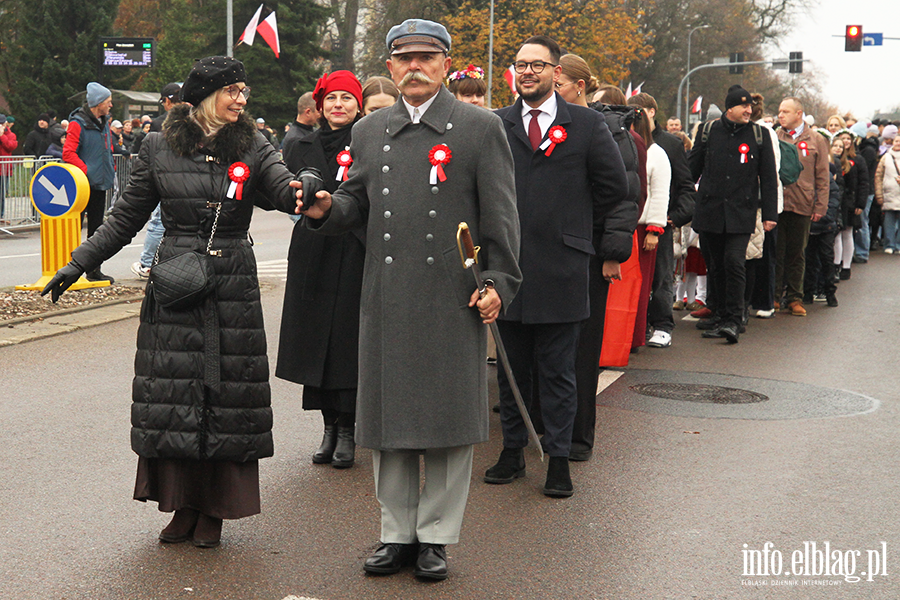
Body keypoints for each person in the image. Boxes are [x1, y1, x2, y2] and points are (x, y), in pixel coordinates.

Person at [42, 56, 306, 549]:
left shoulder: (252, 142)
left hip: (231, 283)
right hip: (177, 283)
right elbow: (125, 217)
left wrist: (305, 189)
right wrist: (77, 263)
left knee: (226, 396)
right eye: (233, 91)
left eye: (244, 92)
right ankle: (182, 505)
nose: (242, 100)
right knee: (175, 394)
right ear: (205, 94)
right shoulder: (158, 144)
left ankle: (215, 510)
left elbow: (280, 187)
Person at [297, 19, 521, 581]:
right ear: (391, 67)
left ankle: (437, 538)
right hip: (387, 296)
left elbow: (501, 219)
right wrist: (326, 209)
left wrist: (498, 282)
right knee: (388, 421)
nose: (415, 67)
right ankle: (395, 533)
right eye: (404, 58)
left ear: (446, 64)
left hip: (453, 298)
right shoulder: (370, 131)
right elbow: (355, 202)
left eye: (427, 57)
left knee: (446, 422)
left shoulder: (478, 126)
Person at [486, 35, 631, 495]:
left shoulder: (587, 125)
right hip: (508, 268)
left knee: (558, 371)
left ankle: (560, 458)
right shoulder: (496, 124)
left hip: (564, 268)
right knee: (511, 371)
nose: (527, 72)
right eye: (520, 65)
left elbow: (614, 190)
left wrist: (584, 234)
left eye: (538, 65)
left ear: (555, 72)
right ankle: (512, 451)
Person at [275, 70, 366, 469]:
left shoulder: (369, 141)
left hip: (355, 249)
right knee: (316, 343)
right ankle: (328, 427)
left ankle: (348, 428)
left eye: (347, 98)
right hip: (313, 250)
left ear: (358, 104)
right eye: (331, 99)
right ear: (320, 105)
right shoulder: (301, 143)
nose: (338, 105)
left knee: (347, 341)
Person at [688, 85, 778, 343]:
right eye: (744, 106)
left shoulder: (759, 135)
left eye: (750, 106)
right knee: (715, 265)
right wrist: (680, 202)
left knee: (734, 262)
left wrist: (770, 213)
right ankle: (719, 314)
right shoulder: (708, 131)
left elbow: (769, 178)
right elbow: (691, 170)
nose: (749, 110)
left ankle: (734, 320)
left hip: (741, 212)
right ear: (730, 108)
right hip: (710, 211)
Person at [627, 91, 695, 348]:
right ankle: (638, 325)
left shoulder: (669, 144)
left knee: (662, 276)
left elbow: (684, 185)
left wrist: (673, 218)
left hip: (661, 222)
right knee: (636, 278)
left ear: (651, 112)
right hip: (633, 220)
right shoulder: (624, 139)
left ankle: (663, 325)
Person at [775, 97, 830, 316]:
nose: (781, 115)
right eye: (779, 111)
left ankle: (795, 298)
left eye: (785, 111)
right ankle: (774, 296)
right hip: (779, 203)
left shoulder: (816, 139)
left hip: (803, 203)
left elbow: (823, 177)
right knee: (776, 253)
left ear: (799, 114)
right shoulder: (775, 136)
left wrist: (820, 206)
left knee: (797, 253)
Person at [63, 82, 116, 283]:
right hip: (82, 185)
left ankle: (93, 270)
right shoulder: (78, 123)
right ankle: (70, 270)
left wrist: (110, 167)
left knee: (96, 230)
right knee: (75, 227)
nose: (111, 105)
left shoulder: (105, 122)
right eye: (108, 102)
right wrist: (86, 171)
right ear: (98, 103)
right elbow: (68, 153)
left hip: (99, 184)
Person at [131, 83, 182, 279]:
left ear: (167, 100)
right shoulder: (195, 119)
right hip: (189, 179)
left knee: (158, 222)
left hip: (166, 177)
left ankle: (147, 263)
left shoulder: (159, 123)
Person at [832, 129, 867, 280]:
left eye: (848, 139)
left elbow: (863, 183)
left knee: (847, 233)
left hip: (850, 202)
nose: (845, 142)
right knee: (837, 234)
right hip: (836, 202)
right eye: (842, 139)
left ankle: (846, 266)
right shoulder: (833, 160)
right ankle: (836, 265)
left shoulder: (858, 160)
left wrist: (860, 203)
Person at [874, 135, 900, 253]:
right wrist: (879, 194)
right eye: (896, 141)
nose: (898, 143)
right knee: (888, 221)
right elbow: (878, 176)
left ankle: (898, 245)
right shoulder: (886, 157)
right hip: (889, 193)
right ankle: (889, 244)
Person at [281, 92, 320, 168]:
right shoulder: (295, 140)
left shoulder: (314, 131)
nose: (321, 115)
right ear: (308, 112)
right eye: (318, 111)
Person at [0, 115, 16, 222]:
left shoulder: (11, 135)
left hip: (4, 169)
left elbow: (10, 146)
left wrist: (2, 136)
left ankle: (0, 215)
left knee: (1, 193)